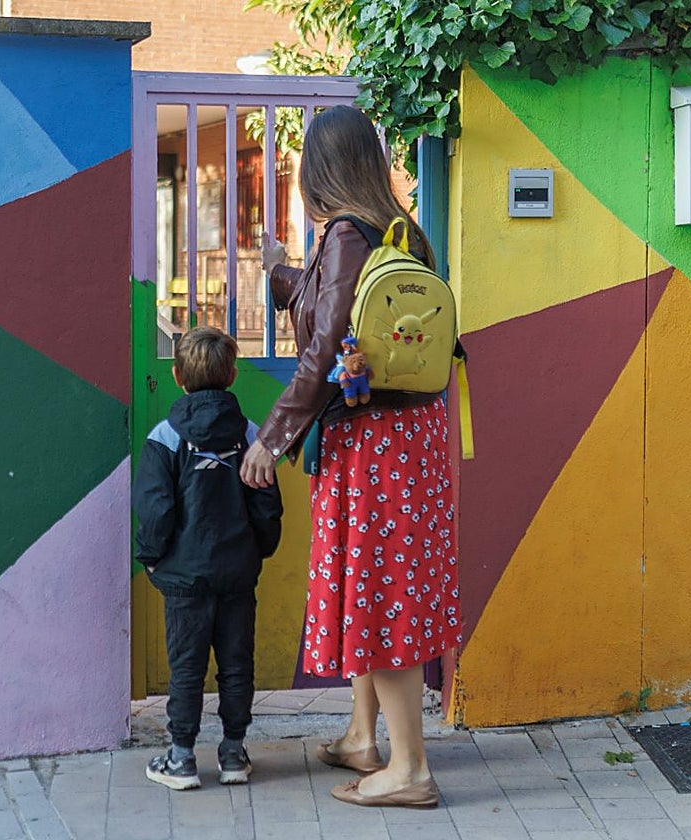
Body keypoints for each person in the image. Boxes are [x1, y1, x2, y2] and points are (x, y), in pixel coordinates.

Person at [240, 105, 461, 809]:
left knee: (383, 592)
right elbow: (335, 307)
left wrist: (271, 438)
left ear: (319, 168)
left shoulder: (343, 234)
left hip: (373, 445)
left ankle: (410, 769)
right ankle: (364, 737)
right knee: (379, 584)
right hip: (417, 433)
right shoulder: (403, 232)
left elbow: (323, 341)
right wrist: (281, 275)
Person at [133, 326, 284, 791]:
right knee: (236, 662)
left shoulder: (165, 438)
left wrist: (152, 559)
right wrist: (258, 551)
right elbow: (267, 506)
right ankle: (234, 754)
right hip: (237, 573)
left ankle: (181, 759)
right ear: (233, 375)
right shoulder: (251, 436)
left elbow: (156, 509)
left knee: (187, 666)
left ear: (177, 376)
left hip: (184, 578)